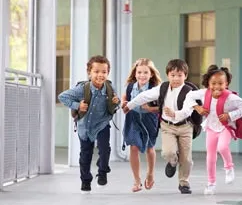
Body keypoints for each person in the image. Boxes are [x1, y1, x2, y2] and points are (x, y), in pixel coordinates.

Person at [123, 59, 196, 194]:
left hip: (184, 126)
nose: (175, 78)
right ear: (168, 75)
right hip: (167, 126)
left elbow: (189, 110)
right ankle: (172, 162)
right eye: (172, 75)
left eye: (179, 75)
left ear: (185, 76)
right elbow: (144, 96)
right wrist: (129, 105)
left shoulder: (189, 91)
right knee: (168, 152)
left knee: (186, 158)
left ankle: (184, 182)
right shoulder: (162, 88)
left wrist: (175, 114)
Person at [175, 65, 242, 195]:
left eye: (220, 83)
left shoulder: (230, 97)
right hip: (211, 127)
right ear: (208, 84)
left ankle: (229, 168)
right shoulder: (204, 93)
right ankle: (211, 183)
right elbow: (189, 96)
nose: (217, 86)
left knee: (222, 147)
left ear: (226, 83)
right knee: (210, 156)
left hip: (225, 127)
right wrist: (197, 107)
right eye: (213, 83)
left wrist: (230, 115)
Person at [58, 55, 120, 194]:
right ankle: (86, 181)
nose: (100, 75)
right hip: (85, 127)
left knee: (105, 150)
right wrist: (77, 105)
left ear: (107, 73)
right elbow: (62, 96)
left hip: (102, 123)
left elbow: (117, 102)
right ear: (89, 72)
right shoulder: (82, 89)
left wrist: (117, 102)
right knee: (85, 155)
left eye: (104, 72)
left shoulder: (110, 87)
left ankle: (102, 171)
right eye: (96, 71)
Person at [122, 58, 162, 192]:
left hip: (149, 120)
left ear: (151, 74)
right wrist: (123, 102)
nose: (142, 75)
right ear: (135, 73)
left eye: (145, 72)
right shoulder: (130, 86)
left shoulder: (155, 89)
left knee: (150, 148)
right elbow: (125, 97)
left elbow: (161, 107)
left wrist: (150, 109)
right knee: (133, 147)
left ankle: (150, 174)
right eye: (139, 72)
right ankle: (137, 180)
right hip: (133, 119)